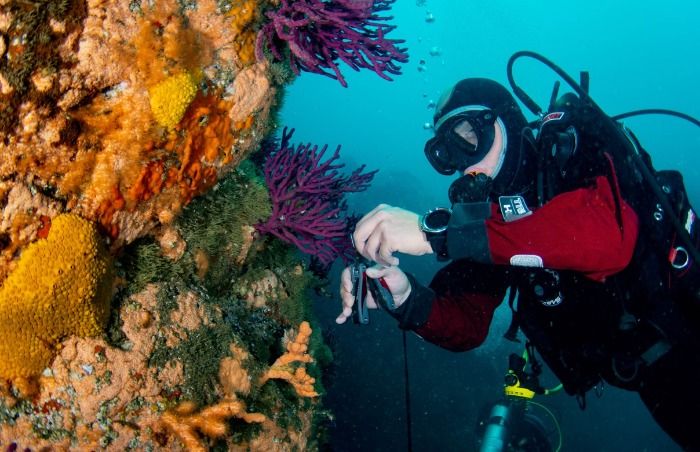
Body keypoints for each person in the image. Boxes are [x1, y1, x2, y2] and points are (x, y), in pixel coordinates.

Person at [336, 78, 700, 450]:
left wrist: (438, 234)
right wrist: (404, 297)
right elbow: (468, 324)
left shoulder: (574, 148)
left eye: (469, 138)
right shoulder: (489, 224)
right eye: (448, 152)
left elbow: (610, 237)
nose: (464, 164)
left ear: (505, 122)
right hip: (655, 376)